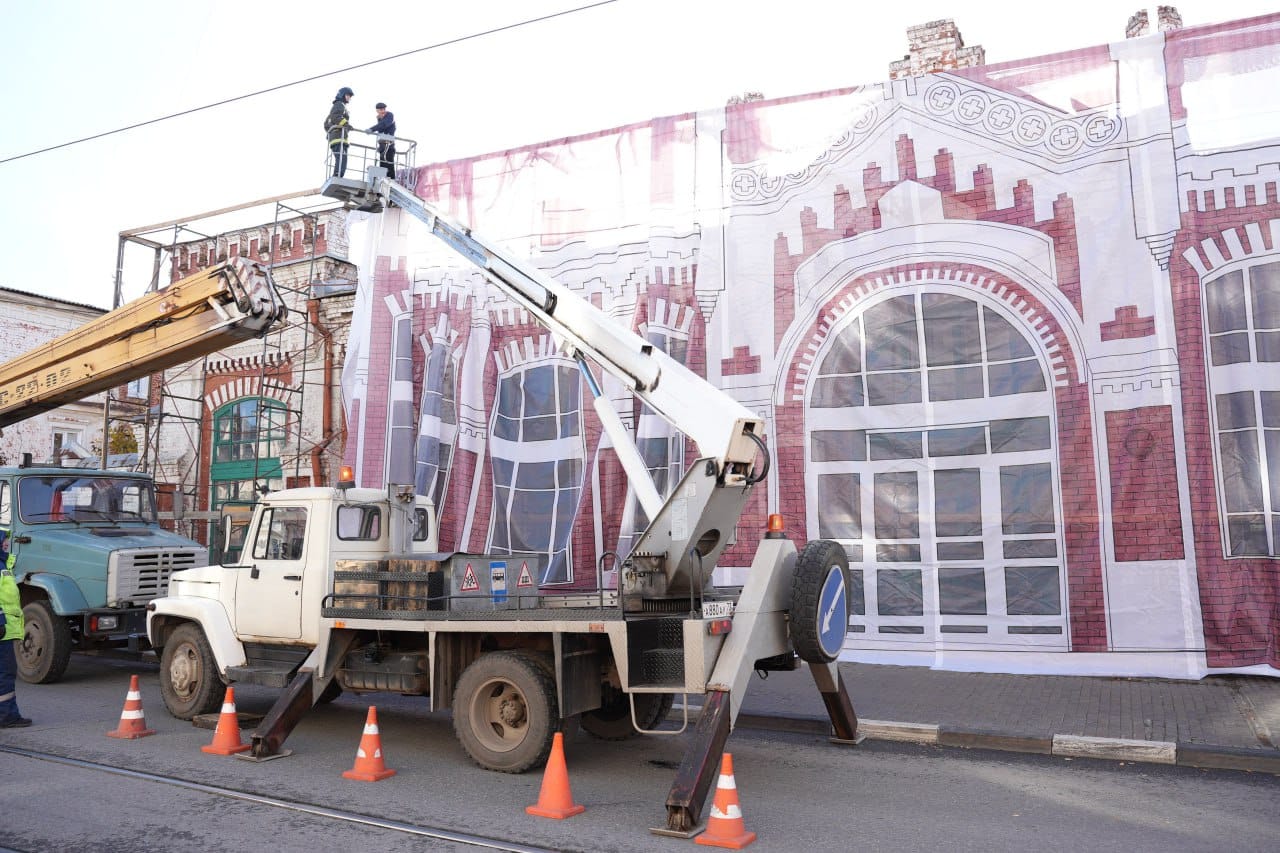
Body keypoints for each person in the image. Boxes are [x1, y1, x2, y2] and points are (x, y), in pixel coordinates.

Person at [0, 528, 30, 728]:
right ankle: (7, 715)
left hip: (5, 630)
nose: (6, 544)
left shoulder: (4, 564)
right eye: (3, 541)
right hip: (2, 631)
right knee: (5, 674)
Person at [325, 87, 355, 178]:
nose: (349, 98)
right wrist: (345, 124)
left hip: (340, 137)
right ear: (342, 95)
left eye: (350, 96)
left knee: (342, 159)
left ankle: (337, 176)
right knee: (342, 159)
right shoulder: (339, 104)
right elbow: (335, 117)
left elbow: (327, 123)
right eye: (348, 95)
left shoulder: (341, 106)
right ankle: (337, 176)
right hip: (338, 137)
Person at [367, 102, 396, 180]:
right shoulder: (380, 118)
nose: (383, 111)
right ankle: (381, 178)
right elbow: (381, 129)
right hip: (382, 144)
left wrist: (372, 129)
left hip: (389, 144)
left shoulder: (390, 115)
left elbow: (384, 125)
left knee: (389, 161)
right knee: (382, 161)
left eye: (384, 109)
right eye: (381, 109)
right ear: (377, 110)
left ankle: (391, 179)